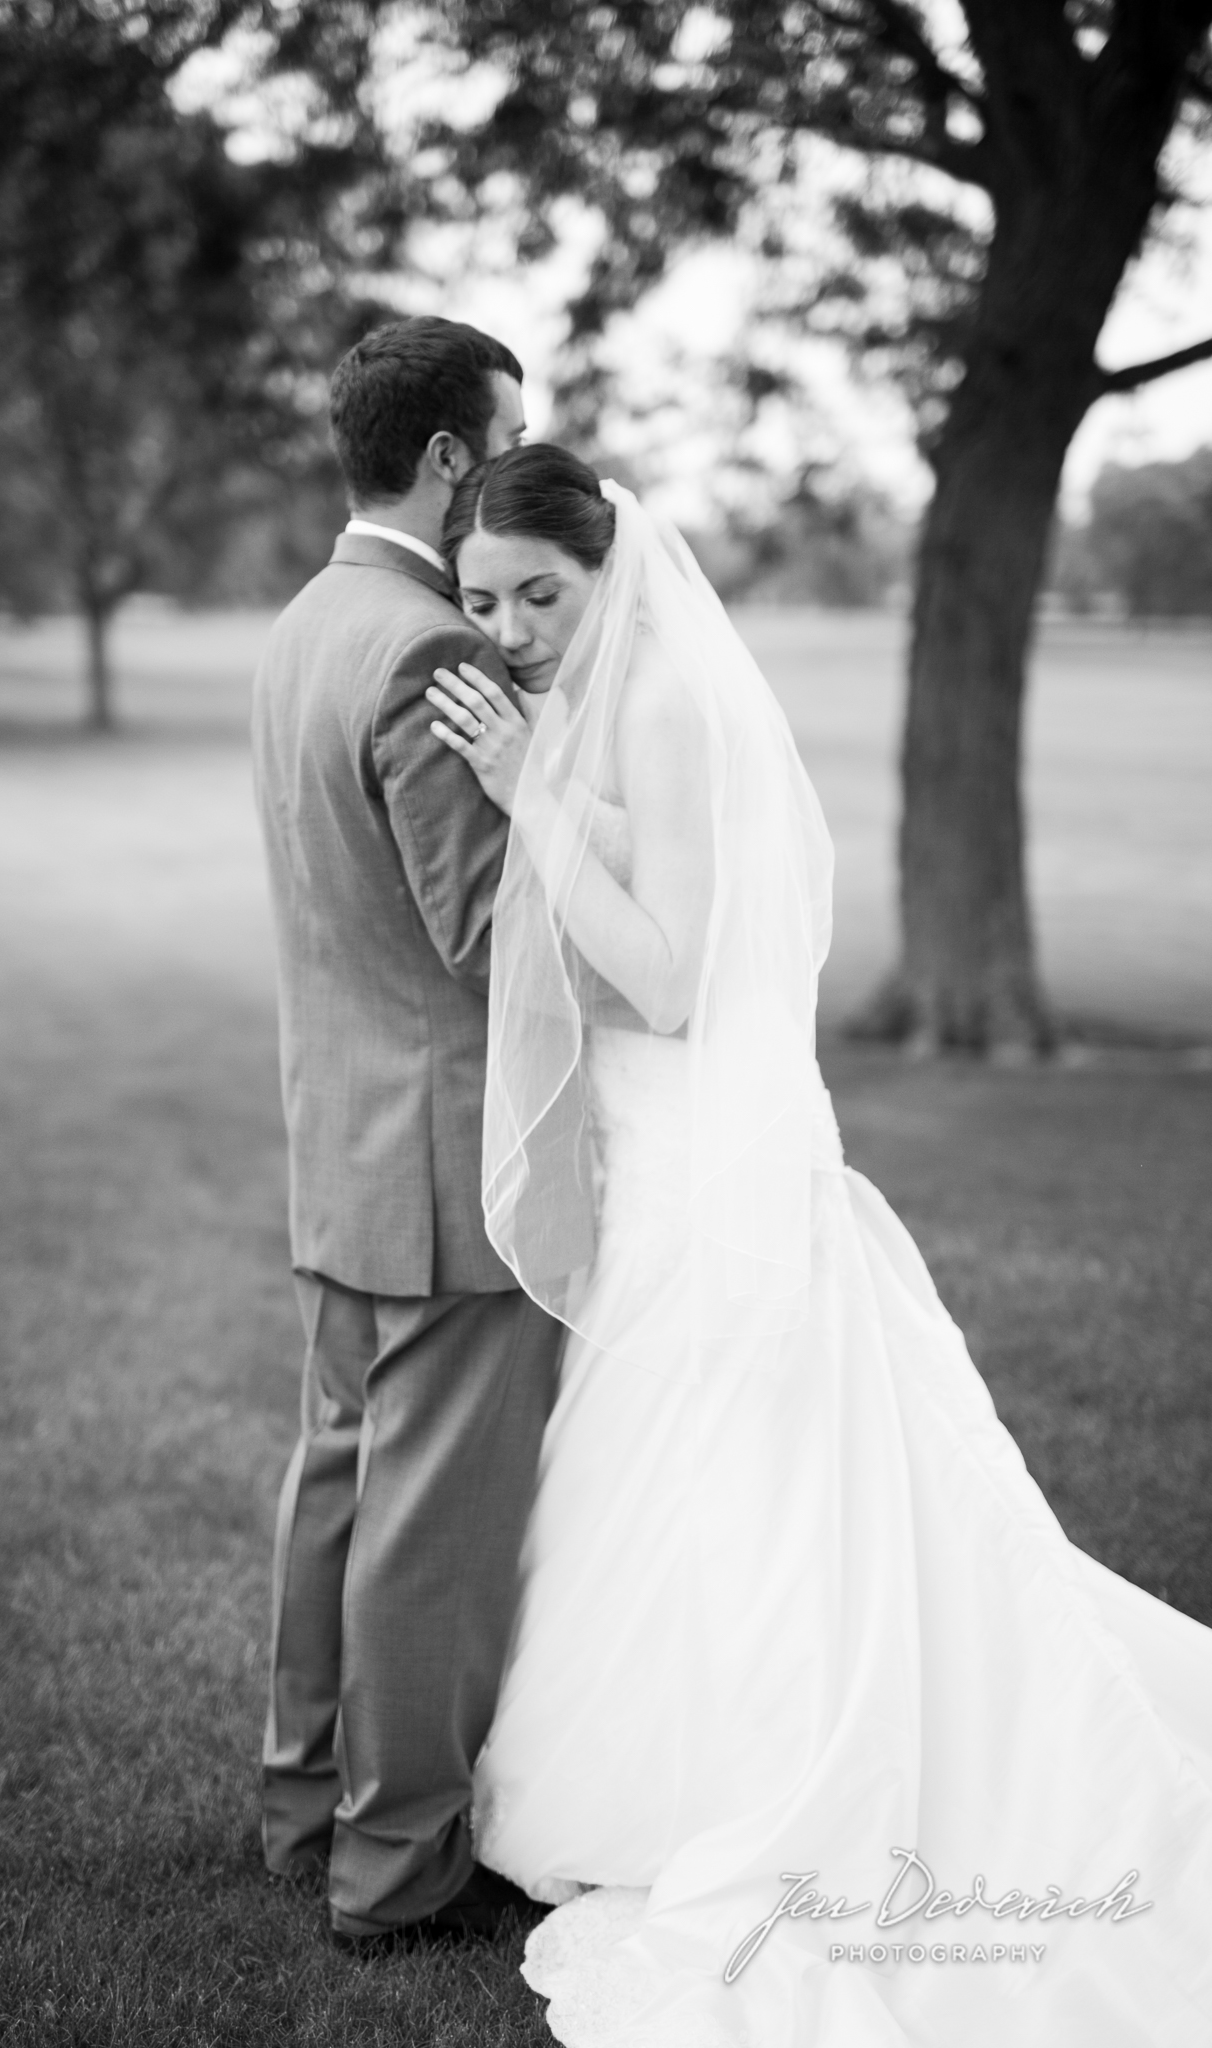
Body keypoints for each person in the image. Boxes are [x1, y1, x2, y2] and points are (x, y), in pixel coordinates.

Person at [425, 442, 1212, 2046]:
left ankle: (752, 1787)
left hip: (709, 1150)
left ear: (609, 568)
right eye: (479, 598)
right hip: (657, 1143)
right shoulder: (582, 692)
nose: (506, 628)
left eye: (537, 595)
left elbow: (671, 982)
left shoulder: (661, 702)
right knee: (670, 1472)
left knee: (750, 1476)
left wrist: (524, 801)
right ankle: (655, 1769)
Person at [250, 319, 568, 1949]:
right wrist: (590, 844)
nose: (510, 468)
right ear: (447, 458)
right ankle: (393, 1869)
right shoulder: (433, 649)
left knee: (335, 1491)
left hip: (340, 1150)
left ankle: (301, 1809)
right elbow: (494, 933)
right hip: (450, 1170)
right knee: (428, 1541)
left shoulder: (309, 621)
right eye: (501, 439)